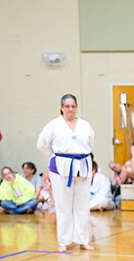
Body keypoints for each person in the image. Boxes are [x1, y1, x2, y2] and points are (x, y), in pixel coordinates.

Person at [37, 94, 95, 250]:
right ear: (62, 108)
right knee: (63, 205)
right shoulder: (54, 125)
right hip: (60, 166)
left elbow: (91, 143)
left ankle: (83, 240)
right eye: (67, 106)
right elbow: (42, 144)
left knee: (82, 205)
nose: (70, 109)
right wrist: (54, 158)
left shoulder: (85, 125)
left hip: (82, 165)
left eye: (73, 106)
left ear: (76, 107)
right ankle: (63, 241)